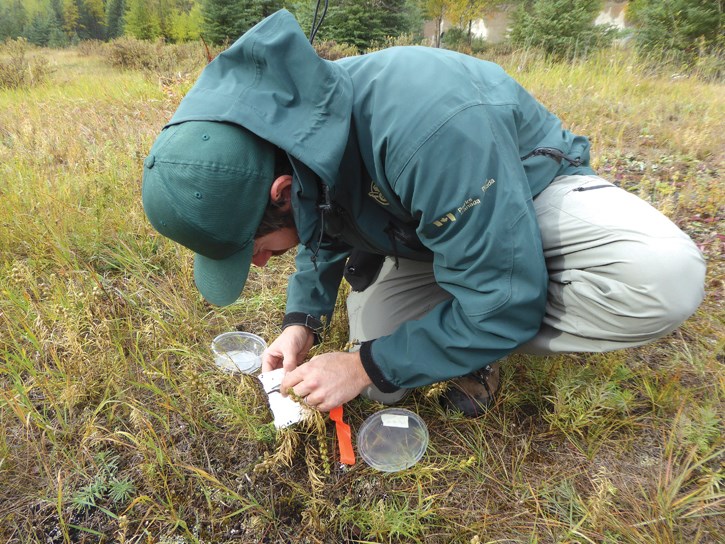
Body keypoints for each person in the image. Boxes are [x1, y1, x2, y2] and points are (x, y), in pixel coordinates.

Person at [141, 10, 706, 417]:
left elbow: (318, 214)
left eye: (256, 249)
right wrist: (302, 323)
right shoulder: (284, 141)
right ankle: (471, 310)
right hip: (420, 226)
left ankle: (489, 311)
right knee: (386, 376)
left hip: (525, 192)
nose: (260, 265)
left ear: (281, 192)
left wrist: (363, 365)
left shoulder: (428, 129)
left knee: (663, 278)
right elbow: (321, 217)